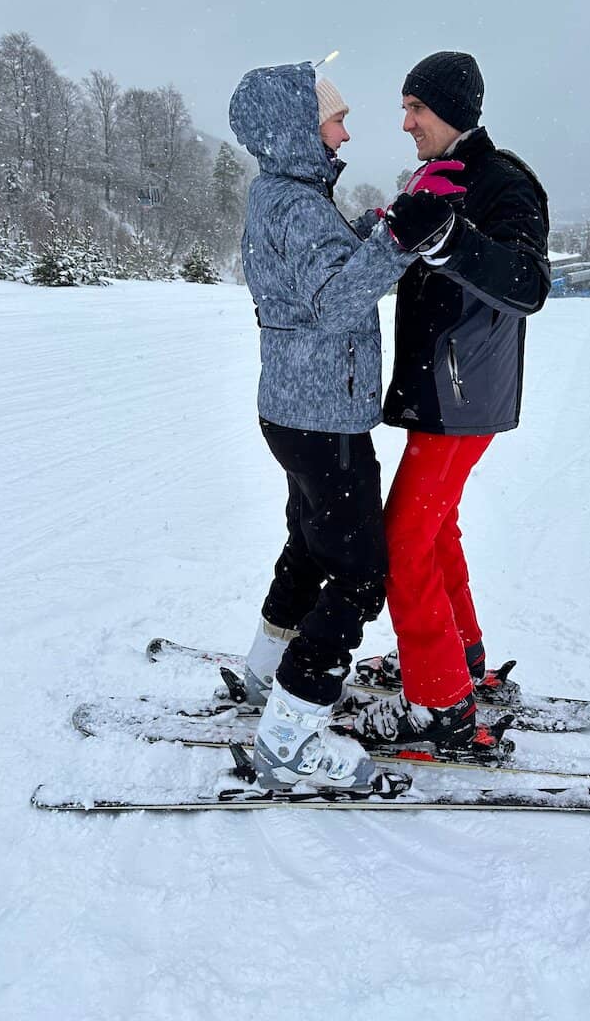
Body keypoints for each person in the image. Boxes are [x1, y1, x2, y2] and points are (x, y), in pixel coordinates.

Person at [228, 61, 454, 794]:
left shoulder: (284, 194)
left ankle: (266, 671)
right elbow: (333, 299)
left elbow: (314, 273)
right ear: (299, 129)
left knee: (309, 545)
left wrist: (370, 230)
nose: (346, 133)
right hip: (321, 417)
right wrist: (399, 242)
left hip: (297, 410)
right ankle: (290, 735)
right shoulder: (295, 204)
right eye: (336, 119)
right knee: (359, 573)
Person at [350, 51, 552, 748]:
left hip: (463, 397)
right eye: (405, 108)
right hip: (440, 393)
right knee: (433, 531)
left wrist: (450, 240)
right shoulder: (442, 175)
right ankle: (460, 657)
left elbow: (529, 284)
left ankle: (440, 705)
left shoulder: (502, 181)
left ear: (453, 112)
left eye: (416, 109)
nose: (405, 123)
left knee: (403, 543)